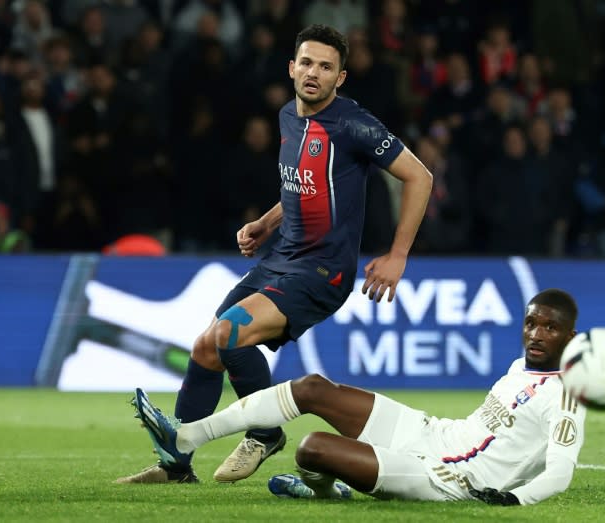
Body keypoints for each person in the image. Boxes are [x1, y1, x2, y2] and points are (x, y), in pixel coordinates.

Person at [116, 24, 433, 485]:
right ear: (291, 67)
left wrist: (398, 255)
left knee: (228, 334)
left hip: (322, 272)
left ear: (340, 78)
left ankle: (265, 433)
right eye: (307, 62)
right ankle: (176, 468)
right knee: (207, 347)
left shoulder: (353, 124)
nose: (314, 73)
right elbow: (300, 188)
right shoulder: (289, 116)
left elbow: (420, 177)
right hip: (281, 259)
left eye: (326, 67)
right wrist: (266, 224)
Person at [131, 289, 585, 506]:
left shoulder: (567, 397)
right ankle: (187, 437)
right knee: (312, 388)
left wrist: (515, 500)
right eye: (531, 324)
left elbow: (559, 473)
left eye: (549, 328)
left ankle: (326, 488)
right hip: (433, 434)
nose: (536, 334)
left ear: (570, 336)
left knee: (313, 447)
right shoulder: (519, 367)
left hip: (450, 479)